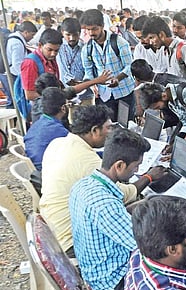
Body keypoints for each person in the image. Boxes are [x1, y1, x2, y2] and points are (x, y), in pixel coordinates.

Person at [40, 105, 164, 255]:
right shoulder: (86, 161)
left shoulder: (58, 143)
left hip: (54, 227)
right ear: (94, 131)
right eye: (109, 128)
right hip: (71, 241)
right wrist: (149, 177)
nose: (111, 132)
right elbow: (122, 193)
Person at [70, 128, 166, 290]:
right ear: (119, 165)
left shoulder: (84, 184)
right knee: (174, 255)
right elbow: (146, 247)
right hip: (113, 282)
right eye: (136, 166)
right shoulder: (105, 206)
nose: (136, 171)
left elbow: (116, 215)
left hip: (95, 268)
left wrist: (146, 205)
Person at [80, 9, 136, 121]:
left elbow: (130, 66)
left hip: (124, 93)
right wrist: (92, 85)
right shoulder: (87, 48)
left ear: (102, 26)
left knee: (127, 126)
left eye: (95, 29)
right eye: (88, 29)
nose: (91, 33)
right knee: (108, 128)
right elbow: (88, 71)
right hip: (104, 95)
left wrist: (117, 79)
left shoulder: (119, 42)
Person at [19, 28, 62, 119]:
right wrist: (56, 97)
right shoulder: (30, 63)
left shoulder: (51, 60)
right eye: (49, 50)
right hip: (39, 111)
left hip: (51, 108)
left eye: (56, 51)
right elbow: (30, 95)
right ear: (40, 45)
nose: (53, 54)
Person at [142, 16, 186, 81]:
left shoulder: (183, 48)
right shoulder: (165, 50)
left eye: (151, 38)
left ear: (161, 35)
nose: (151, 42)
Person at [24, 87, 69, 170]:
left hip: (35, 169)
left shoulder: (37, 124)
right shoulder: (59, 130)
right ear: (63, 108)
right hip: (46, 171)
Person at [3, 20, 37, 108]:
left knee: (14, 99)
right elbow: (17, 64)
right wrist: (24, 77)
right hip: (11, 74)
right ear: (26, 32)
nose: (32, 38)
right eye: (32, 35)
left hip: (9, 73)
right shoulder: (16, 43)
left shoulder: (14, 38)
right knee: (15, 99)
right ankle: (14, 120)